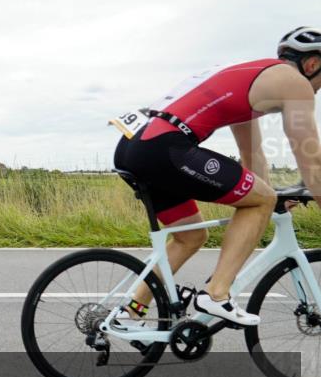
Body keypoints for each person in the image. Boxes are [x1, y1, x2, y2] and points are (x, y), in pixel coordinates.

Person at [111, 26, 321, 326]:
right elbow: (311, 156)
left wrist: (271, 196)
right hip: (164, 145)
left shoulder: (250, 82)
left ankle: (130, 313)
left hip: (137, 144)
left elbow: (253, 156)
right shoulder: (295, 83)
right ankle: (217, 293)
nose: (319, 89)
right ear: (312, 64)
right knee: (260, 200)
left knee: (190, 236)